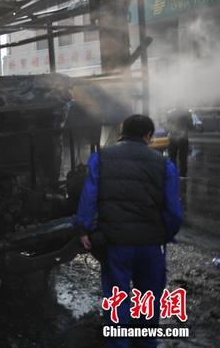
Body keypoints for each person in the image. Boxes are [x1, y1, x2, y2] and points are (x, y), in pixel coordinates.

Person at [74, 114, 183, 348]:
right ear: (148, 136)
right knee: (149, 300)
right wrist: (164, 235)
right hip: (150, 247)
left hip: (116, 244)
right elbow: (174, 211)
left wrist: (83, 229)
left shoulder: (100, 158)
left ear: (123, 132)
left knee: (117, 299)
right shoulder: (164, 165)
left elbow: (89, 197)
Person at [165, 108, 194, 178]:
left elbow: (167, 126)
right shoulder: (187, 113)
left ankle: (172, 174)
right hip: (183, 138)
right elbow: (190, 126)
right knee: (183, 157)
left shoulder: (171, 113)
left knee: (172, 157)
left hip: (172, 138)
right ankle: (182, 175)